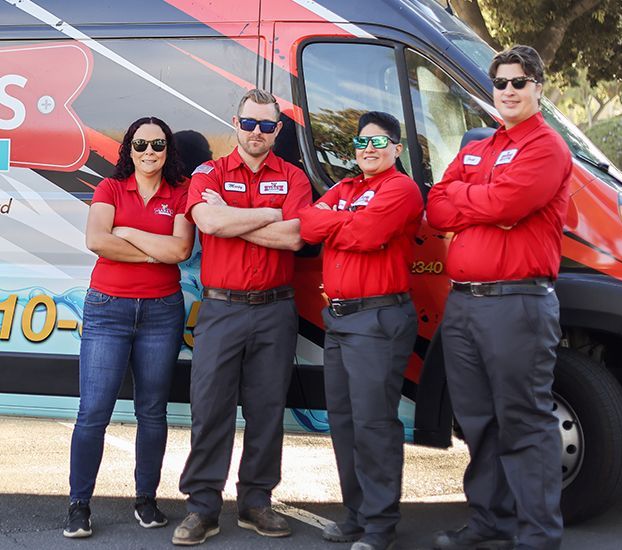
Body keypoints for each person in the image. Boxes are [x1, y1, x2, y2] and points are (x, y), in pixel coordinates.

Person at [426, 45, 572, 550]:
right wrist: (483, 205)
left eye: (519, 82)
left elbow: (511, 200)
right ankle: (490, 523)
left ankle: (537, 536)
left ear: (538, 88)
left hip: (517, 304)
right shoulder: (479, 146)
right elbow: (436, 208)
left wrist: (472, 200)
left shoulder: (546, 147)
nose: (508, 90)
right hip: (464, 303)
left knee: (524, 422)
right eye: (501, 83)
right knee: (478, 421)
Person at [172, 88, 311, 545]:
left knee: (267, 410)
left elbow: (294, 237)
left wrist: (235, 216)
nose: (256, 132)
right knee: (210, 410)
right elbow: (208, 225)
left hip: (275, 309)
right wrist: (266, 214)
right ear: (235, 123)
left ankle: (256, 502)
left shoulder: (294, 176)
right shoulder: (207, 171)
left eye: (266, 126)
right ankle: (203, 507)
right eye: (249, 123)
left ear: (278, 130)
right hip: (221, 308)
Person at [64, 117, 194, 538]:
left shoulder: (182, 191)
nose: (149, 152)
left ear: (168, 149)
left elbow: (180, 249)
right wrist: (154, 254)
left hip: (162, 312)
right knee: (93, 412)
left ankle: (146, 500)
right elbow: (98, 240)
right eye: (141, 145)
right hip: (108, 309)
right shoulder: (110, 188)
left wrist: (130, 232)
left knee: (152, 412)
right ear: (129, 150)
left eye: (158, 144)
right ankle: (79, 505)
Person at [300, 111, 424, 550]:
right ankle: (355, 515)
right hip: (338, 317)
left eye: (378, 142)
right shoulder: (345, 187)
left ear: (396, 148)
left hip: (378, 319)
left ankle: (379, 526)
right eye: (361, 144)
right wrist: (342, 222)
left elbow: (370, 234)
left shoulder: (401, 189)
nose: (368, 150)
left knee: (374, 425)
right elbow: (308, 224)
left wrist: (338, 223)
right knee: (345, 422)